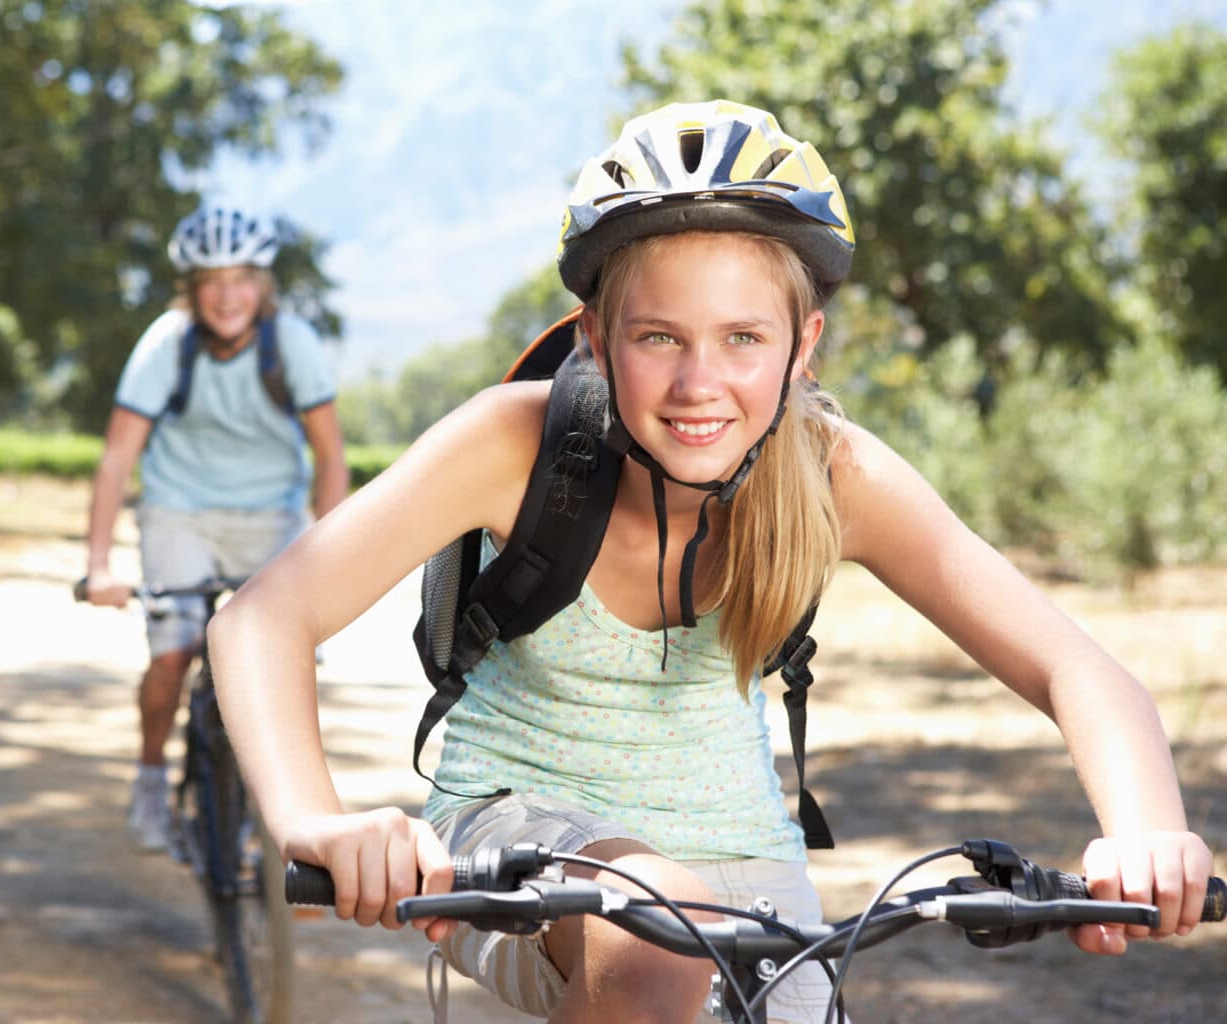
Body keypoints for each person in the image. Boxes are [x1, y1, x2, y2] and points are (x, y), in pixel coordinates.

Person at [206, 101, 1214, 1023]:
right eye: (658, 335)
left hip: (748, 859)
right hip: (517, 831)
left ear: (801, 345)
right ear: (597, 337)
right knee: (663, 947)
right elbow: (259, 619)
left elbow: (1079, 666)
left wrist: (1145, 831)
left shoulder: (835, 474)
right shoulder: (515, 446)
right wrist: (316, 820)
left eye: (743, 337)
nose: (701, 382)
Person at [83, 196, 349, 852]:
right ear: (192, 291)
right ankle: (150, 779)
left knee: (284, 663)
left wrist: (334, 554)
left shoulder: (292, 344)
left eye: (240, 280)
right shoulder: (165, 346)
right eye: (211, 283)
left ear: (261, 286)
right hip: (181, 513)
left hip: (270, 517)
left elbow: (330, 455)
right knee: (172, 654)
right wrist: (97, 567)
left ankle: (289, 810)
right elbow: (118, 456)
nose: (227, 297)